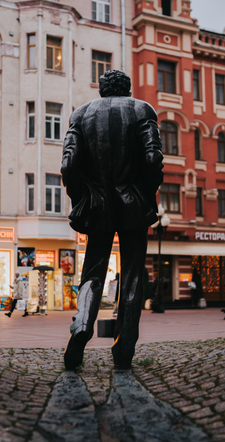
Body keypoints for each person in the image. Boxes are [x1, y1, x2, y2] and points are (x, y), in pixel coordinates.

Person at [61, 70, 164, 370]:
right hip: (133, 203)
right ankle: (124, 348)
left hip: (96, 205)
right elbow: (152, 158)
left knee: (92, 273)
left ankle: (81, 325)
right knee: (132, 273)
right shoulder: (142, 110)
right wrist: (146, 192)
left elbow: (68, 165)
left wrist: (82, 196)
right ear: (127, 89)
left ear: (101, 89)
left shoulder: (80, 115)